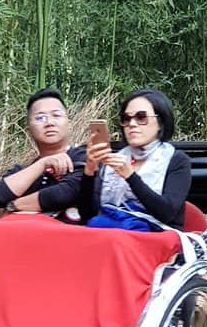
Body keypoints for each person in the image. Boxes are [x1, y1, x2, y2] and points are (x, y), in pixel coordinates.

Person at [78, 88, 191, 229]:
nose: (132, 124)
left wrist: (130, 176)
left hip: (158, 236)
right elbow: (87, 214)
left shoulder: (177, 160)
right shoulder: (114, 159)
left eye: (141, 117)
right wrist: (89, 171)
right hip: (112, 232)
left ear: (160, 123)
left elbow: (167, 213)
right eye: (127, 119)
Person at [0, 88, 86, 218]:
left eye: (56, 115)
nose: (49, 123)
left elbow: (66, 193)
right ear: (29, 128)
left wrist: (14, 205)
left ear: (68, 122)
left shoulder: (84, 156)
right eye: (40, 118)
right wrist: (43, 164)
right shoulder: (23, 170)